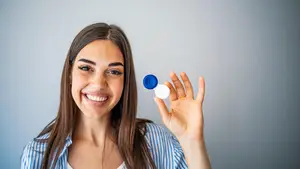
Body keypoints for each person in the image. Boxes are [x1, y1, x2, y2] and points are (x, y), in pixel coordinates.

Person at [20, 22, 211, 169]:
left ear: (125, 80)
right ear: (70, 74)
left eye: (114, 72)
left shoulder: (156, 142)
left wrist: (192, 140)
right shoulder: (38, 154)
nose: (98, 84)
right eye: (86, 68)